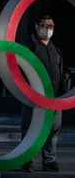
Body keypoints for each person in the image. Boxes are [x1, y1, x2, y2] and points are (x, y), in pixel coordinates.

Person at [20, 15, 70, 173]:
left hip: (55, 98)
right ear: (36, 27)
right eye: (44, 25)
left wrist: (66, 74)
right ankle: (27, 159)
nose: (48, 29)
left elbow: (62, 68)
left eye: (51, 26)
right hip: (35, 96)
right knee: (31, 128)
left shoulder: (55, 48)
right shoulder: (30, 45)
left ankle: (49, 160)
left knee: (53, 129)